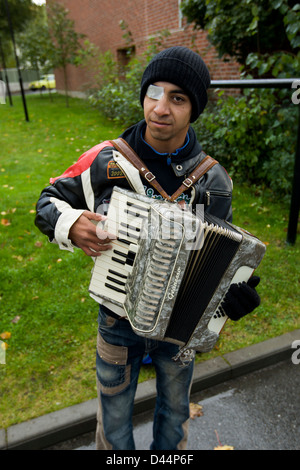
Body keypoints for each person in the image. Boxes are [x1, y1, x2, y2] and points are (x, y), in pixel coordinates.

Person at [35, 46, 261, 450]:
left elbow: (218, 261)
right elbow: (48, 199)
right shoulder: (107, 159)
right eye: (153, 92)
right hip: (117, 320)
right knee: (115, 421)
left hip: (179, 330)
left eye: (178, 98)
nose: (160, 108)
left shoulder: (214, 181)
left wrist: (232, 296)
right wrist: (70, 225)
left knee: (175, 418)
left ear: (194, 109)